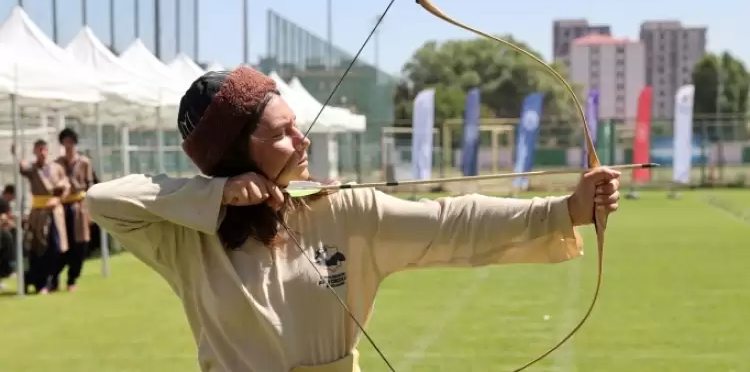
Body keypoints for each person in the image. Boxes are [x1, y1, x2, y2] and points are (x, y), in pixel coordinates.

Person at [85, 67, 621, 372]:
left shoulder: (342, 209)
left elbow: (453, 222)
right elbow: (102, 199)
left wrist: (565, 210)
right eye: (280, 133)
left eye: (297, 125)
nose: (303, 140)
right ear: (235, 155)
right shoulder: (187, 235)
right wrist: (217, 195)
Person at [14, 140, 70, 295]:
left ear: (48, 150)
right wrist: (17, 154)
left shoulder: (57, 168)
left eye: (44, 149)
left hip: (55, 212)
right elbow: (22, 168)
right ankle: (42, 282)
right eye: (38, 149)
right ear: (35, 151)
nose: (42, 152)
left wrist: (57, 199)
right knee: (40, 248)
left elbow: (65, 185)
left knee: (58, 248)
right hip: (39, 214)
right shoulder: (32, 169)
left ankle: (53, 280)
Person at [52, 127, 94, 292]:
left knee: (80, 244)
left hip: (79, 207)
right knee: (61, 244)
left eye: (70, 141)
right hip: (62, 206)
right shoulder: (58, 163)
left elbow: (89, 183)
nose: (67, 145)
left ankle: (72, 279)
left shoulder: (84, 162)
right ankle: (54, 277)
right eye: (64, 142)